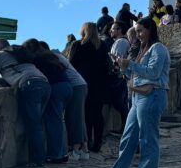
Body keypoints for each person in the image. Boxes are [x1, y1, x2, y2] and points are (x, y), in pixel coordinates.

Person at [90, 16, 170, 168]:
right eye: (137, 31)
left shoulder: (158, 48)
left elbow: (153, 73)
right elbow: (133, 74)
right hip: (138, 97)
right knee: (127, 141)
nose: (138, 34)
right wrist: (123, 66)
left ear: (151, 29)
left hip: (151, 96)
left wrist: (131, 64)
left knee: (148, 140)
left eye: (141, 30)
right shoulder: (142, 49)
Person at [0, 39, 50, 167]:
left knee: (33, 125)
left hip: (30, 85)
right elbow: (12, 76)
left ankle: (38, 161)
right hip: (44, 83)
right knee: (37, 123)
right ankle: (37, 159)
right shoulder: (16, 53)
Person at [21, 39, 72, 163]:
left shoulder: (37, 59)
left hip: (55, 88)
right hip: (67, 87)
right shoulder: (50, 56)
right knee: (58, 121)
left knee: (53, 122)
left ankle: (55, 155)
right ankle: (62, 152)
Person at [71, 23, 111, 155]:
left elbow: (72, 64)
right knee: (98, 114)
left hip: (84, 82)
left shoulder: (78, 45)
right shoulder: (102, 45)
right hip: (100, 84)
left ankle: (86, 143)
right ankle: (98, 142)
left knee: (86, 114)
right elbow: (106, 65)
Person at [52, 38, 89, 160]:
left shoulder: (53, 57)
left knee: (74, 118)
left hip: (76, 86)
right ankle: (84, 150)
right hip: (80, 85)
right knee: (79, 117)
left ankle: (76, 150)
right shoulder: (58, 55)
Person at [107, 22, 131, 132]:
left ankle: (126, 127)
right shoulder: (121, 41)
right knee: (121, 101)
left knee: (117, 101)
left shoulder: (121, 42)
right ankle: (125, 127)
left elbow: (117, 60)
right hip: (121, 75)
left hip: (118, 75)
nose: (110, 31)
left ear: (119, 30)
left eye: (113, 29)